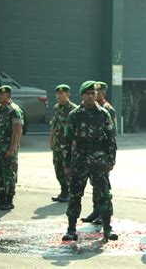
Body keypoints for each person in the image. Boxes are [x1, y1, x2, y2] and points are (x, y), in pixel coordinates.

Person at [62, 81, 118, 241]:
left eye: (93, 93)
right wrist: (67, 163)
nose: (91, 96)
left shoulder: (103, 113)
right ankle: (71, 229)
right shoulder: (75, 115)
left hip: (99, 161)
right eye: (88, 93)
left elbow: (111, 138)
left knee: (104, 195)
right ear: (82, 95)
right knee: (75, 195)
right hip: (79, 160)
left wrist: (111, 159)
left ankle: (107, 228)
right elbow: (67, 141)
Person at [80, 81, 117, 225]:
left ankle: (104, 213)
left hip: (102, 155)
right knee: (95, 186)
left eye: (98, 91)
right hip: (88, 157)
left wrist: (110, 157)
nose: (96, 94)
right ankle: (96, 210)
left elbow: (111, 134)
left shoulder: (107, 109)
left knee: (103, 187)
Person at [0, 86, 23, 210]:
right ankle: (1, 199)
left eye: (1, 95)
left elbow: (17, 132)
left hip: (8, 149)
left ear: (8, 96)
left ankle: (9, 201)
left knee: (8, 174)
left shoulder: (14, 110)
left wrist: (11, 149)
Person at [49, 84, 77, 202]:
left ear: (68, 94)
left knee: (68, 169)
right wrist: (51, 140)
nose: (59, 96)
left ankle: (71, 193)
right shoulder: (56, 108)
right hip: (57, 144)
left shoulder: (74, 109)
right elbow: (54, 125)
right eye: (57, 93)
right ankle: (64, 191)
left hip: (68, 145)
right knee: (58, 168)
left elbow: (76, 130)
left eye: (62, 93)